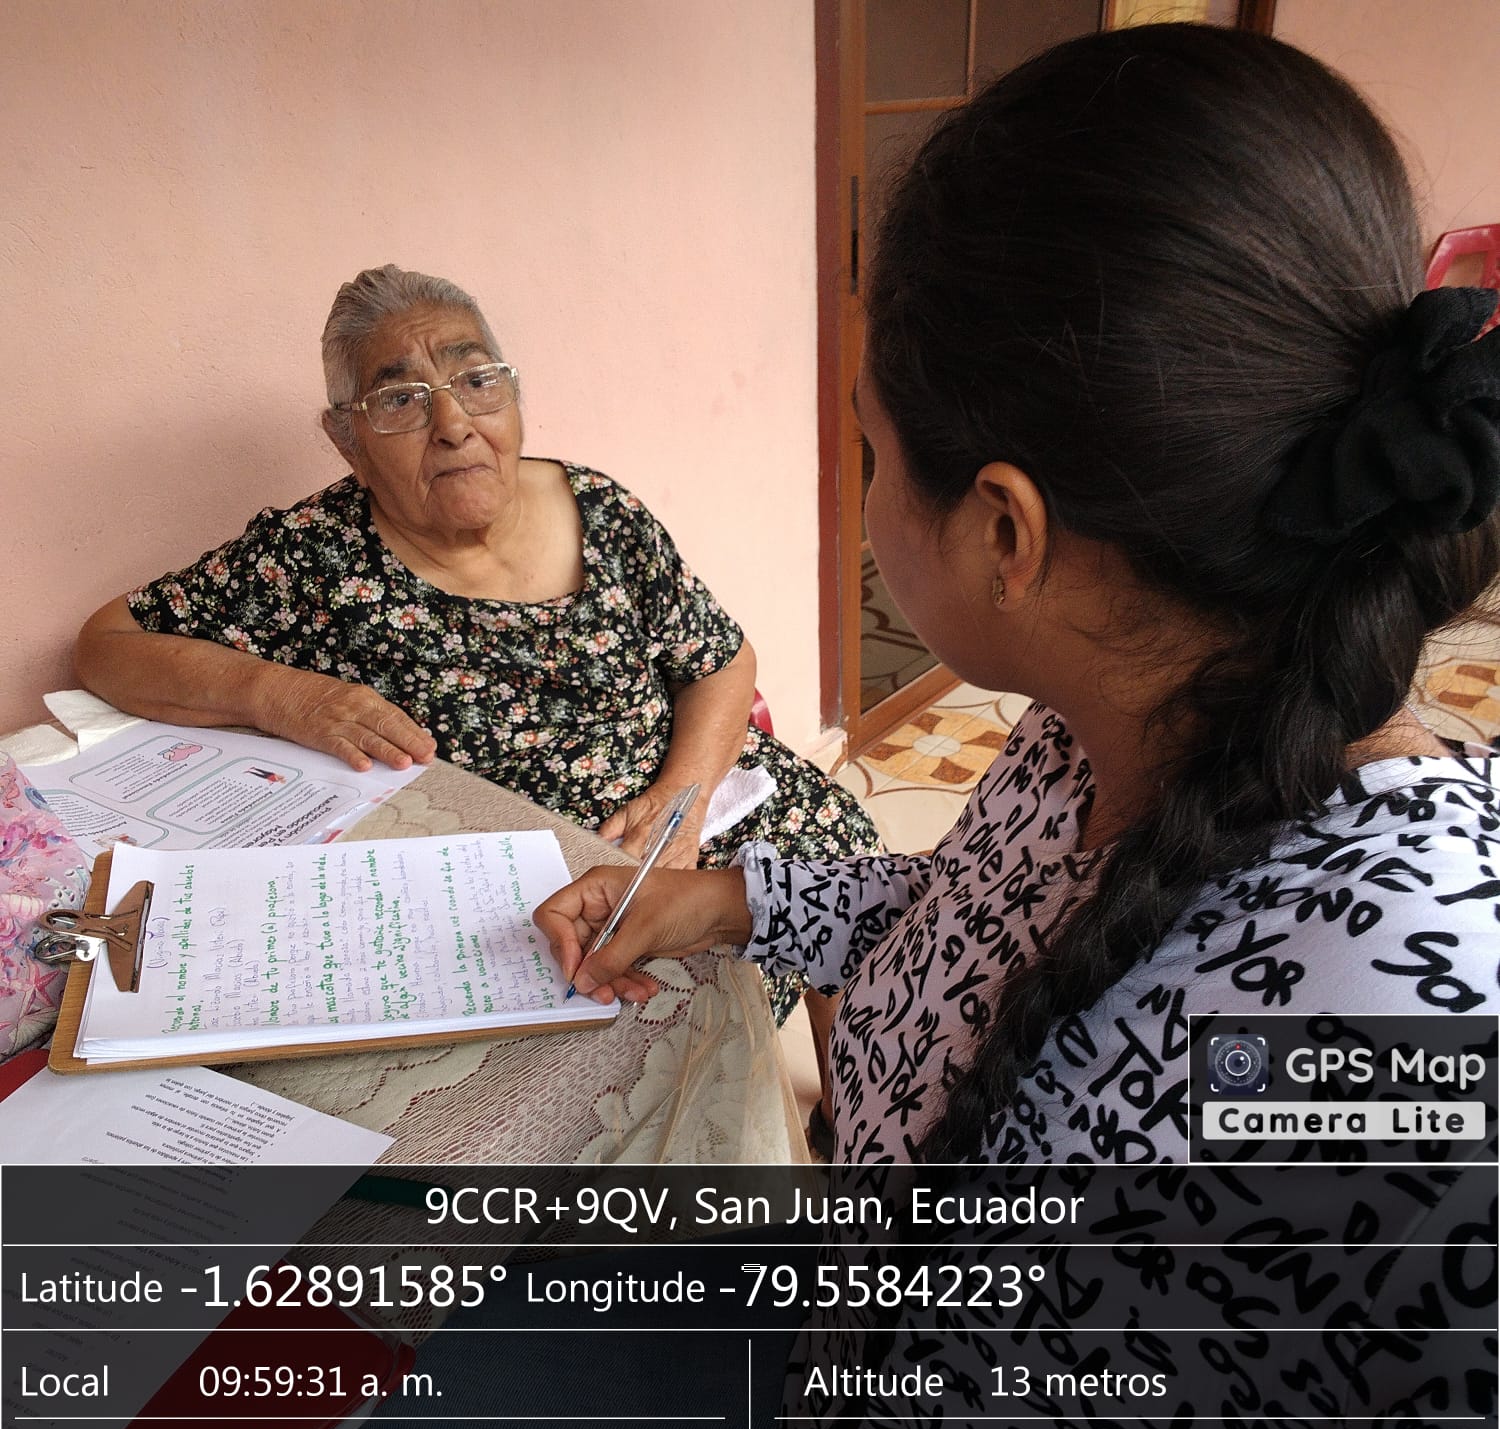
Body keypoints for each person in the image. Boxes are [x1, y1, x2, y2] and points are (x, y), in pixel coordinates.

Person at [537, 23, 1500, 1167]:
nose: (867, 496)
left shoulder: (1395, 1026)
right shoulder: (1095, 722)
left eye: (873, 450)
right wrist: (731, 904)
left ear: (1004, 531)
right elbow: (972, 931)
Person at [74, 265, 878, 1025]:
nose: (454, 424)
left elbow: (722, 661)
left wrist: (685, 801)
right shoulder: (314, 558)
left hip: (692, 801)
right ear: (349, 439)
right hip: (535, 885)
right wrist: (284, 696)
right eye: (401, 399)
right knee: (676, 1032)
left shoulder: (600, 510)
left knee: (848, 888)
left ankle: (845, 1107)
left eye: (477, 381)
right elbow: (107, 645)